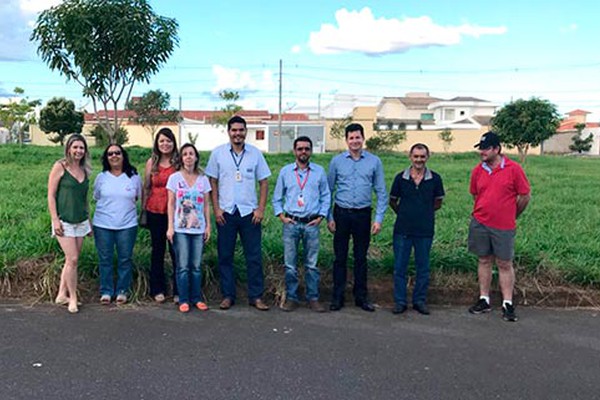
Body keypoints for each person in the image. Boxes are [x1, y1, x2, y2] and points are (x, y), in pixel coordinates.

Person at [205, 115, 271, 311]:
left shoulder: (255, 154)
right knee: (225, 256)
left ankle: (256, 296)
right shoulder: (218, 154)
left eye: (241, 130)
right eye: (234, 130)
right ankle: (227, 295)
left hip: (249, 213)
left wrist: (260, 208)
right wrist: (216, 208)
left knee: (253, 256)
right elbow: (212, 182)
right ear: (228, 132)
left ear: (245, 132)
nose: (238, 134)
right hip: (226, 212)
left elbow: (264, 182)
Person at [467, 131, 530, 322]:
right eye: (481, 149)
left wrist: (511, 214)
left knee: (504, 263)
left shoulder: (513, 169)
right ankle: (484, 299)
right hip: (480, 223)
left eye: (486, 149)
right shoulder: (478, 170)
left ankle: (507, 303)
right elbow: (475, 194)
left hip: (503, 226)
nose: (482, 153)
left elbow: (524, 196)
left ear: (496, 149)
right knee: (484, 260)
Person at [327, 123, 387, 312]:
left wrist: (378, 219)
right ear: (346, 140)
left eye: (358, 137)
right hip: (342, 214)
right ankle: (338, 297)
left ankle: (361, 297)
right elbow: (328, 191)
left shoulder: (374, 162)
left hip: (363, 215)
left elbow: (381, 191)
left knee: (361, 258)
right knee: (340, 257)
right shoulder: (336, 162)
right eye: (351, 138)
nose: (355, 141)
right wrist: (329, 217)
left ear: (363, 139)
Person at [272, 136, 330, 312]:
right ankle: (292, 297)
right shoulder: (285, 172)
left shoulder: (319, 172)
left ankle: (313, 298)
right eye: (300, 149)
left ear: (311, 151)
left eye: (306, 148)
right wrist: (281, 216)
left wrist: (321, 216)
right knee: (290, 264)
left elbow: (326, 196)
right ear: (294, 151)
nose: (303, 152)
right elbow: (276, 197)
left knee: (311, 264)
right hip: (291, 223)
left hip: (311, 224)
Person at [389, 143, 444, 316]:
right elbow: (393, 201)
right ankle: (400, 302)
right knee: (400, 267)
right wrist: (405, 213)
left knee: (423, 268)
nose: (419, 160)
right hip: (403, 230)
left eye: (422, 156)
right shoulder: (400, 178)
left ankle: (419, 301)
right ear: (410, 157)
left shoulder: (435, 179)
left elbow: (438, 202)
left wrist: (423, 213)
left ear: (427, 157)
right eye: (416, 156)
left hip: (425, 230)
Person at [47, 134, 92, 314]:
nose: (78, 151)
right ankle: (72, 297)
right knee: (72, 259)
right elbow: (51, 194)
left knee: (71, 260)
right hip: (64, 220)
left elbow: (84, 198)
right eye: (75, 147)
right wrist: (55, 219)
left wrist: (89, 220)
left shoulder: (85, 170)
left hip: (81, 220)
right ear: (68, 148)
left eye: (81, 148)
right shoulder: (60, 167)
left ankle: (61, 294)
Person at [93, 144, 142, 305]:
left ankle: (122, 290)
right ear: (106, 158)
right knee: (105, 259)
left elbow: (137, 197)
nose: (114, 156)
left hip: (127, 225)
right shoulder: (101, 177)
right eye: (110, 154)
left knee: (125, 259)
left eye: (117, 153)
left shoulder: (134, 176)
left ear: (123, 155)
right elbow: (97, 196)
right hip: (103, 224)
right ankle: (106, 291)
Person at [166, 144, 211, 313]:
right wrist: (170, 227)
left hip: (198, 229)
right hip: (180, 229)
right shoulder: (174, 178)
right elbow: (170, 204)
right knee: (183, 265)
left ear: (196, 157)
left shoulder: (203, 179)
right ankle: (183, 299)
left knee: (196, 266)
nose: (188, 157)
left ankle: (197, 298)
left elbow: (206, 205)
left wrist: (208, 226)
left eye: (191, 154)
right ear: (181, 158)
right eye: (185, 154)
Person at [143, 127, 179, 304]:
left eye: (169, 141)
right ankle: (157, 289)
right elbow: (146, 187)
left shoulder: (178, 163)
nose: (165, 144)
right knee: (157, 251)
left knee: (176, 252)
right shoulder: (152, 163)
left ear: (174, 143)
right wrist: (143, 210)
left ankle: (179, 290)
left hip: (176, 213)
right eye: (162, 141)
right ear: (157, 144)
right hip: (155, 211)